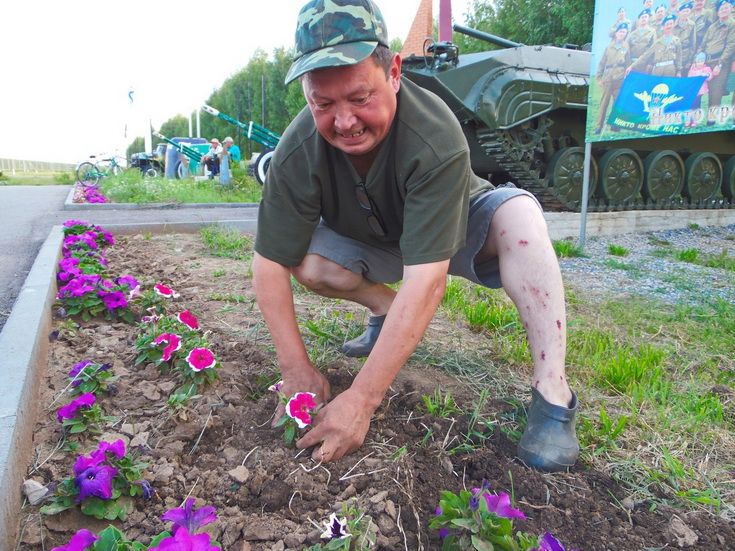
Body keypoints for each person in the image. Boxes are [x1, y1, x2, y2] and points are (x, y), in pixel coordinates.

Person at [252, 0, 579, 472]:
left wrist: (360, 400)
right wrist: (296, 368)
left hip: (455, 226)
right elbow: (268, 262)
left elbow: (428, 281)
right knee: (307, 260)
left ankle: (553, 393)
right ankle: (385, 309)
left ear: (395, 73)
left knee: (522, 220)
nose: (344, 122)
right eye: (323, 104)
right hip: (373, 236)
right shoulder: (297, 149)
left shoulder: (435, 133)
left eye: (360, 98)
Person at [698, 0, 735, 123]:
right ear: (718, 12)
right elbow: (703, 44)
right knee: (699, 91)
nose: (724, 10)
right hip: (705, 63)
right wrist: (698, 59)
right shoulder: (713, 26)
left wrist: (720, 64)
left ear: (731, 9)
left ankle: (711, 122)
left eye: (726, 8)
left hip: (719, 63)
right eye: (721, 8)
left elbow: (730, 45)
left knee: (715, 93)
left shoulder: (732, 25)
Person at [596, 23, 632, 134]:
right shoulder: (609, 47)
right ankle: (598, 126)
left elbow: (628, 63)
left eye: (624, 32)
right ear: (616, 33)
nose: (622, 34)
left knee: (617, 102)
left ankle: (615, 125)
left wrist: (627, 77)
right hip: (608, 77)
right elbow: (602, 63)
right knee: (604, 103)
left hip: (619, 78)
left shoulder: (626, 47)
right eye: (621, 32)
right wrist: (599, 77)